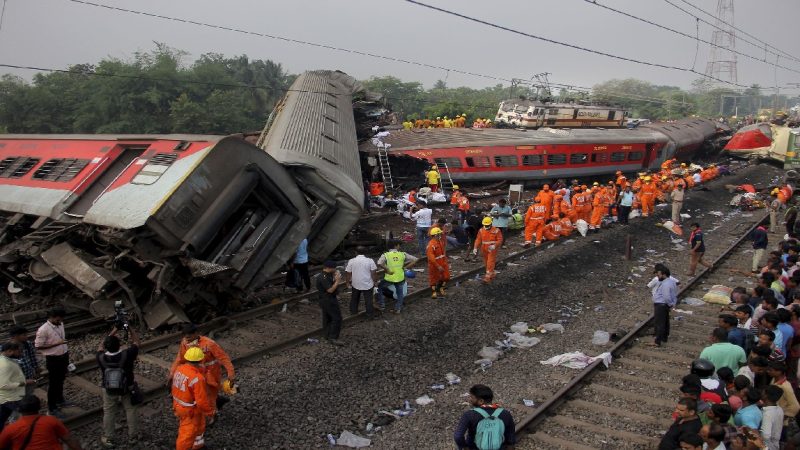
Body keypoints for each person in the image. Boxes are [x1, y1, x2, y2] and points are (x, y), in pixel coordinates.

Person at [168, 324, 235, 414]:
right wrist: (172, 373)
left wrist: (231, 374)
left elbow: (223, 358)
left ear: (196, 333)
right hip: (195, 373)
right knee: (199, 393)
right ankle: (215, 404)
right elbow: (180, 358)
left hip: (211, 373)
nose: (187, 337)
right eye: (185, 334)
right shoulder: (185, 342)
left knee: (210, 393)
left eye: (190, 334)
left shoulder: (209, 344)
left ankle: (212, 414)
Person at [96, 326, 140, 448]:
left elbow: (100, 346)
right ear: (119, 345)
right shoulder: (128, 354)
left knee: (109, 412)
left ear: (106, 346)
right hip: (127, 387)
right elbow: (136, 341)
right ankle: (133, 436)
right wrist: (130, 328)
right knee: (131, 410)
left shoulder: (100, 357)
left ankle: (109, 438)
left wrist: (115, 329)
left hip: (109, 388)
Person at [0, 395, 82, 450]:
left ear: (20, 409)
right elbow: (70, 440)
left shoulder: (10, 429)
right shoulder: (51, 420)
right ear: (39, 407)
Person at [172, 348, 213, 450]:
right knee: (186, 435)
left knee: (199, 426)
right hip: (190, 411)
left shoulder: (179, 369)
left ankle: (198, 446)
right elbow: (202, 401)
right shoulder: (197, 378)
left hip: (180, 405)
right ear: (200, 360)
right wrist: (210, 412)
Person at [453, 384, 515, 450]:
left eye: (472, 397)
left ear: (481, 401)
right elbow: (511, 435)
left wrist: (464, 447)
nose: (470, 400)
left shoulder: (469, 415)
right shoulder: (505, 413)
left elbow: (458, 436)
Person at [34, 308, 69, 417]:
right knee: (54, 383)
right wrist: (57, 344)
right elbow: (38, 346)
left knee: (61, 379)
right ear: (52, 318)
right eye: (59, 319)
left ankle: (60, 400)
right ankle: (52, 407)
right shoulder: (43, 330)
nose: (61, 321)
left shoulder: (60, 323)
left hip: (64, 355)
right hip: (53, 359)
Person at [376, 240, 418, 313]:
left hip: (390, 278)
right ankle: (398, 309)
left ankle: (382, 305)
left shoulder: (385, 255)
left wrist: (387, 269)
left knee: (380, 287)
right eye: (399, 245)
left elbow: (379, 263)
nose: (399, 246)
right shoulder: (402, 254)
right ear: (396, 245)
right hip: (400, 277)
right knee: (400, 293)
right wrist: (406, 267)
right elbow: (415, 259)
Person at [0, 343, 30, 433]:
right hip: (10, 397)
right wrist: (23, 383)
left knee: (2, 417)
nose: (20, 354)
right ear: (9, 351)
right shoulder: (5, 364)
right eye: (18, 352)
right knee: (23, 415)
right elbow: (3, 385)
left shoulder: (4, 360)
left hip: (6, 397)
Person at [649, 264, 678, 347]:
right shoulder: (671, 282)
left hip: (661, 305)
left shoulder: (665, 284)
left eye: (658, 275)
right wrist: (672, 304)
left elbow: (667, 296)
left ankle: (657, 341)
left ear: (664, 274)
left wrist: (670, 304)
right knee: (665, 322)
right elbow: (674, 294)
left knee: (659, 323)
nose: (657, 277)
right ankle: (664, 338)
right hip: (664, 305)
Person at [345, 248, 377, 318]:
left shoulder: (351, 261)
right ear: (365, 253)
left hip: (355, 283)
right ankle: (369, 315)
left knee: (354, 298)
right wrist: (375, 282)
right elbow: (373, 273)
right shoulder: (370, 261)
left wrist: (347, 283)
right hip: (367, 284)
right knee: (368, 300)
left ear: (356, 252)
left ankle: (353, 311)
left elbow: (348, 273)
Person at [8, 326, 38, 396]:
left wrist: (36, 368)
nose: (26, 337)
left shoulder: (27, 344)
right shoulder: (6, 348)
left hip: (28, 375)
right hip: (15, 379)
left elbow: (32, 357)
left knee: (28, 394)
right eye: (24, 335)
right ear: (15, 336)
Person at [474, 217, 503, 284]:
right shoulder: (481, 230)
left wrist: (494, 245)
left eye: (487, 225)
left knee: (490, 262)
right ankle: (491, 273)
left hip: (491, 249)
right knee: (486, 262)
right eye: (485, 225)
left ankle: (487, 278)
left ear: (491, 224)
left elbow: (500, 240)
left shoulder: (496, 230)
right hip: (483, 248)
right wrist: (475, 247)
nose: (486, 226)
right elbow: (478, 239)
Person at [426, 228, 450, 299]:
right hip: (434, 265)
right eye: (439, 234)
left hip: (443, 262)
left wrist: (446, 261)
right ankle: (434, 292)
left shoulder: (440, 242)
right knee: (433, 278)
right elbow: (431, 258)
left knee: (446, 277)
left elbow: (443, 253)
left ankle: (440, 288)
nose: (440, 235)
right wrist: (438, 266)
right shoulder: (431, 245)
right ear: (435, 235)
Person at [760, 385, 784, 450]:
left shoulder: (768, 414)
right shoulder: (779, 409)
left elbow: (765, 435)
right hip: (775, 445)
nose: (761, 392)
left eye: (763, 392)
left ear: (766, 395)